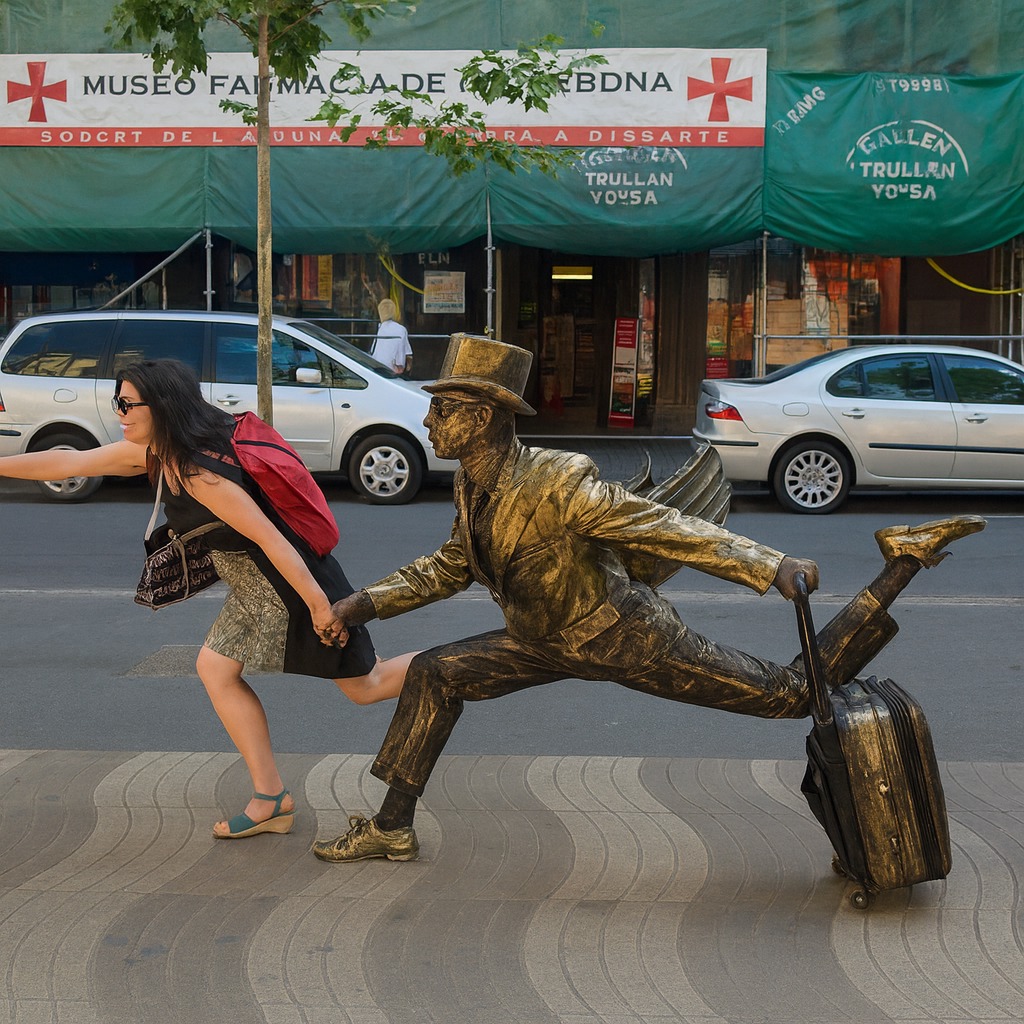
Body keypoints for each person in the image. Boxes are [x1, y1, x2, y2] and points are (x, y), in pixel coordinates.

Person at [312, 334, 985, 863]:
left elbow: (661, 524)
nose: (428, 421)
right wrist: (358, 606)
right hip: (538, 641)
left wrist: (768, 562)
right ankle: (391, 826)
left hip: (620, 636)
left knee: (791, 694)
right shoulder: (473, 486)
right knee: (435, 674)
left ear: (482, 415)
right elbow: (451, 566)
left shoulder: (558, 479)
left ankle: (899, 565)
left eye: (442, 409)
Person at [0, 359, 416, 840]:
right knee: (216, 668)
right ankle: (271, 799)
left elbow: (274, 542)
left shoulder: (199, 472)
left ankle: (462, 663)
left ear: (164, 406)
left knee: (367, 686)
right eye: (118, 401)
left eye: (127, 404)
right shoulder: (161, 453)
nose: (119, 412)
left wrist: (321, 607)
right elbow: (69, 462)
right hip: (253, 590)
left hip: (291, 587)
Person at [370, 298, 413, 376]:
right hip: (393, 369)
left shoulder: (380, 328)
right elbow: (404, 352)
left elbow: (373, 351)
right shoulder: (401, 329)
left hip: (376, 367)